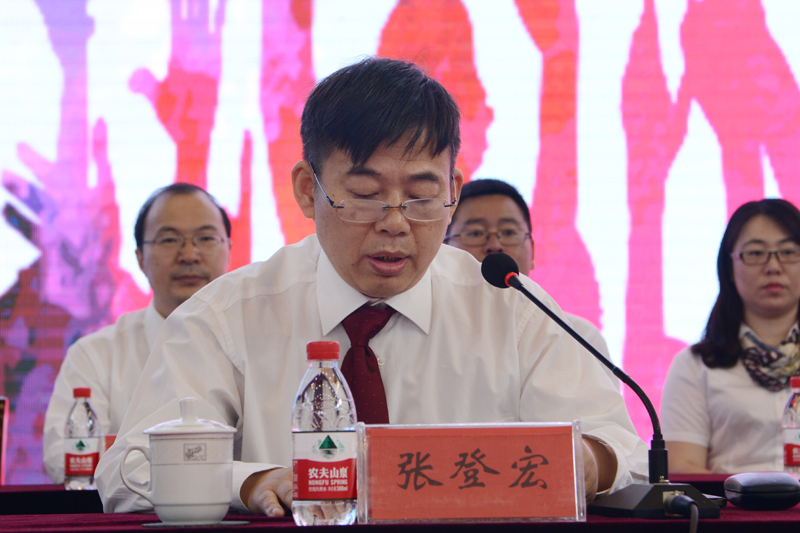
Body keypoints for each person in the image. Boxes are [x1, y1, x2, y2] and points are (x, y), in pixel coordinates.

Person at [96, 57, 647, 516]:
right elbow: (128, 469)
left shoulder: (512, 309)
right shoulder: (228, 315)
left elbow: (621, 448)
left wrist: (585, 462)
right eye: (364, 194)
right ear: (307, 190)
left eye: (422, 195)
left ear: (453, 190)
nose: (395, 222)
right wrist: (248, 482)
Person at [43, 183, 232, 484]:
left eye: (206, 238)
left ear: (229, 250)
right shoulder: (94, 356)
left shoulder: (261, 346)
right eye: (169, 240)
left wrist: (130, 457)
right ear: (140, 258)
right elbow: (62, 457)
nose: (189, 254)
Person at [661, 198, 800, 473]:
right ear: (730, 269)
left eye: (788, 251)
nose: (773, 266)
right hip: (732, 500)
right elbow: (681, 466)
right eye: (756, 253)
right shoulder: (695, 365)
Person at [444, 178, 612, 363]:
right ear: (443, 248)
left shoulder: (580, 337)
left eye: (509, 232)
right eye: (475, 233)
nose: (494, 245)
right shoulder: (431, 332)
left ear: (532, 250)